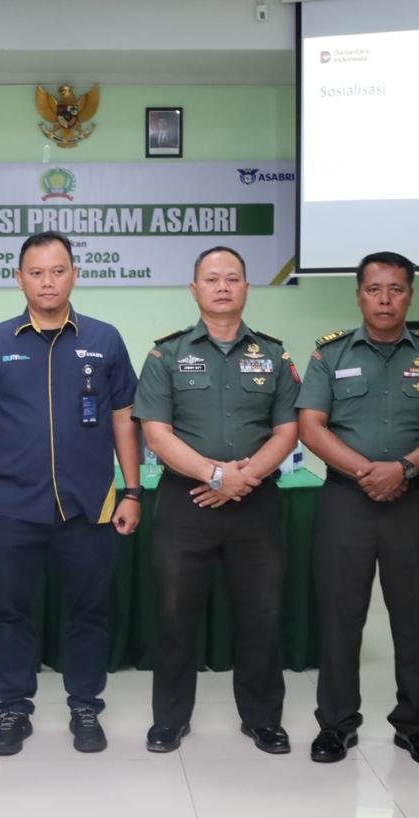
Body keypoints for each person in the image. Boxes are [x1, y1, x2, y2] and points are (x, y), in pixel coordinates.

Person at [0, 231, 141, 756]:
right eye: (36, 272)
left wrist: (132, 491)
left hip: (89, 505)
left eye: (58, 271)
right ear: (18, 278)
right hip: (12, 505)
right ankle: (13, 709)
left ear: (74, 276)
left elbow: (123, 418)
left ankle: (85, 706)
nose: (48, 282)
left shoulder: (105, 339)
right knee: (10, 612)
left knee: (89, 611)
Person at [296, 251, 419, 767]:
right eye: (374, 289)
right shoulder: (329, 354)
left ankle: (416, 726)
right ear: (359, 296)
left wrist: (403, 470)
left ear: (410, 295)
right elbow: (311, 427)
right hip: (346, 502)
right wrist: (368, 472)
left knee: (415, 619)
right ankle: (336, 724)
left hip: (415, 503)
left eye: (395, 289)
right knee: (340, 617)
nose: (385, 299)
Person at [132, 245, 299, 754]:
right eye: (212, 279)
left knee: (261, 616)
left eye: (233, 278)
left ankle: (263, 719)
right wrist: (216, 474)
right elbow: (156, 433)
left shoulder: (274, 355)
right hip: (186, 503)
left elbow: (288, 430)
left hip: (256, 503)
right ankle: (169, 720)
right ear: (194, 289)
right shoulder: (165, 355)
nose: (223, 286)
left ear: (246, 287)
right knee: (175, 616)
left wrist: (244, 477)